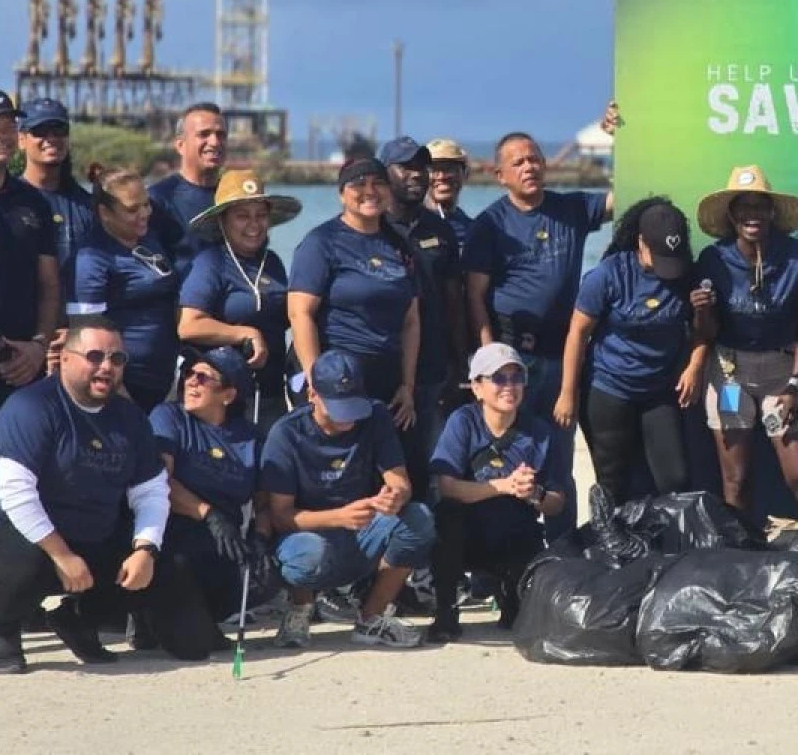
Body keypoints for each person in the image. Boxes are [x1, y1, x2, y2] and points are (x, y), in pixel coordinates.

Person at [0, 318, 179, 673]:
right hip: (19, 531)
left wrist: (145, 550)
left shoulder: (130, 418)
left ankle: (79, 621)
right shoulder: (29, 407)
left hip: (91, 530)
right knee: (23, 564)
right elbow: (15, 493)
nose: (106, 366)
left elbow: (151, 491)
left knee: (162, 564)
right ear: (65, 359)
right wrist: (62, 554)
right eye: (94, 356)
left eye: (117, 359)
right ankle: (5, 629)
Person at [463, 121, 614, 536]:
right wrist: (489, 360)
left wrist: (621, 134)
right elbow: (474, 295)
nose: (529, 166)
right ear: (500, 175)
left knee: (558, 463)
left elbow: (629, 198)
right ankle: (510, 551)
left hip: (561, 357)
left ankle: (563, 550)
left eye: (534, 158)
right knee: (511, 460)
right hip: (512, 358)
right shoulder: (489, 225)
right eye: (518, 162)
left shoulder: (573, 208)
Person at [261, 348, 433, 649]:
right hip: (307, 535)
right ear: (313, 394)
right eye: (338, 408)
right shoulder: (285, 434)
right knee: (309, 552)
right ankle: (300, 610)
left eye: (354, 406)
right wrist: (339, 516)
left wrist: (394, 496)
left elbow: (399, 479)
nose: (348, 419)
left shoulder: (375, 415)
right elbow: (281, 516)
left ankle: (371, 618)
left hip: (363, 528)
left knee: (419, 518)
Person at [695, 165, 798, 519]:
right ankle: (741, 562)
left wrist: (797, 384)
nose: (751, 214)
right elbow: (706, 333)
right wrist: (702, 313)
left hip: (782, 375)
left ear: (771, 212)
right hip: (730, 375)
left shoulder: (797, 257)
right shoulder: (714, 259)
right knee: (736, 481)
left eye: (759, 206)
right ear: (731, 214)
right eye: (743, 206)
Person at [562, 197, 714, 503]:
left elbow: (704, 333)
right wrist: (568, 393)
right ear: (640, 241)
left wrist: (695, 365)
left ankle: (669, 546)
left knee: (676, 478)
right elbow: (578, 333)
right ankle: (613, 544)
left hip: (659, 389)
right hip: (609, 387)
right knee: (613, 481)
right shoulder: (608, 274)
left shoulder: (688, 275)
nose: (665, 268)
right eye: (658, 257)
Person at [427, 343, 571, 643]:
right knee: (446, 516)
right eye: (499, 379)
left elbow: (558, 502)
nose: (510, 387)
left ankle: (510, 597)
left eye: (517, 378)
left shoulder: (540, 431)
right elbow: (446, 485)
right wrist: (502, 486)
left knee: (522, 621)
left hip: (514, 533)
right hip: (466, 535)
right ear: (477, 387)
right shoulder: (463, 422)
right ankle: (446, 610)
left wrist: (535, 494)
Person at [288, 157, 420, 438]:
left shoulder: (399, 245)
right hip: (335, 379)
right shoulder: (321, 242)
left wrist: (407, 386)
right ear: (341, 194)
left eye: (379, 183)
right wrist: (316, 382)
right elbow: (300, 314)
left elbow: (411, 321)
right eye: (359, 184)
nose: (370, 191)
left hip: (386, 381)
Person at [147, 346, 264, 653]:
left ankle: (196, 619)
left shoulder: (250, 436)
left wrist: (260, 534)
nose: (191, 381)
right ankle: (154, 619)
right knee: (192, 649)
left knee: (265, 574)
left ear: (228, 394)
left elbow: (264, 497)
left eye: (203, 377)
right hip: (176, 533)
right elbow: (161, 481)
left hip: (225, 542)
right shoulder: (168, 417)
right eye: (188, 373)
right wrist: (208, 513)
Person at [180, 169, 300, 430]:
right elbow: (188, 325)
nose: (254, 225)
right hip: (224, 399)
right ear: (223, 221)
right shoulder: (211, 263)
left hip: (271, 394)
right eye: (242, 216)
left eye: (261, 215)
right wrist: (244, 333)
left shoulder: (274, 263)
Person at [379, 136, 467, 487]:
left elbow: (455, 304)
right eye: (406, 167)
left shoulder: (440, 230)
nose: (417, 174)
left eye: (422, 167)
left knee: (429, 471)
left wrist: (461, 364)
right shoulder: (372, 226)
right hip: (379, 372)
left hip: (432, 373)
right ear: (385, 173)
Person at [67, 168, 183, 411]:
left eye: (146, 205)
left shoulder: (148, 239)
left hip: (165, 377)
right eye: (132, 209)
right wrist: (121, 397)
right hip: (124, 384)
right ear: (104, 213)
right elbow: (87, 332)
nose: (144, 214)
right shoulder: (92, 258)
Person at [0, 86, 59, 442]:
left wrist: (39, 346)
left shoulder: (33, 202)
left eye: (9, 126)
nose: (2, 136)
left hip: (24, 370)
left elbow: (48, 284)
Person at [16, 96, 97, 272]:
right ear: (21, 140)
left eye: (59, 129)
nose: (51, 138)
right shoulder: (8, 201)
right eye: (40, 130)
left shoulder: (87, 205)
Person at [148, 101, 228, 267]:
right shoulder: (159, 199)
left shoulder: (233, 197)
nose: (214, 142)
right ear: (180, 145)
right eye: (204, 134)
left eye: (221, 135)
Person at [425, 138, 474, 243]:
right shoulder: (410, 226)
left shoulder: (473, 229)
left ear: (465, 174)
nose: (441, 176)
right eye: (434, 169)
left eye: (449, 168)